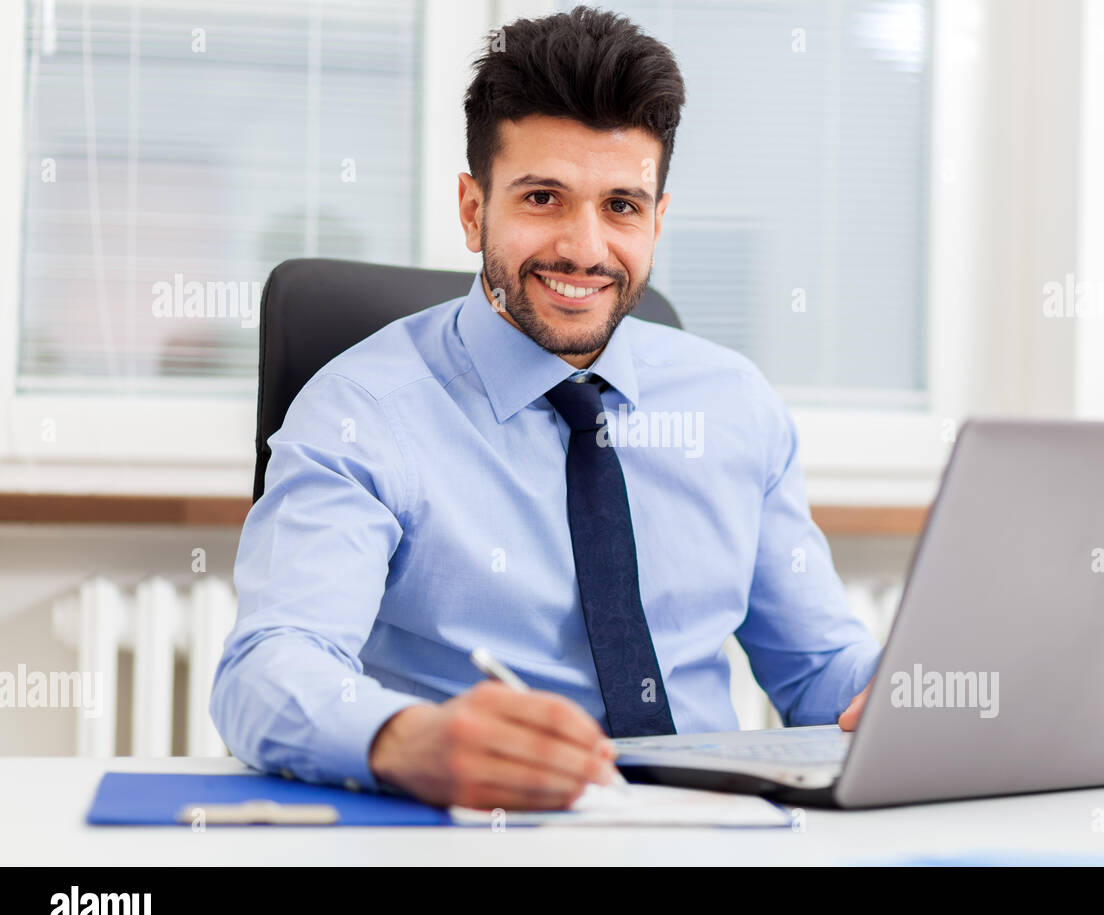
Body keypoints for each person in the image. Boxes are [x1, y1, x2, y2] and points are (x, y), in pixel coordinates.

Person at [211, 5, 879, 811]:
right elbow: (269, 667)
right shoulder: (361, 412)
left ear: (659, 221)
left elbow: (817, 668)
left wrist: (907, 699)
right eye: (543, 198)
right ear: (472, 209)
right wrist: (407, 739)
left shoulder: (735, 405)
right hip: (480, 832)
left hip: (716, 833)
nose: (585, 249)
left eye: (622, 207)